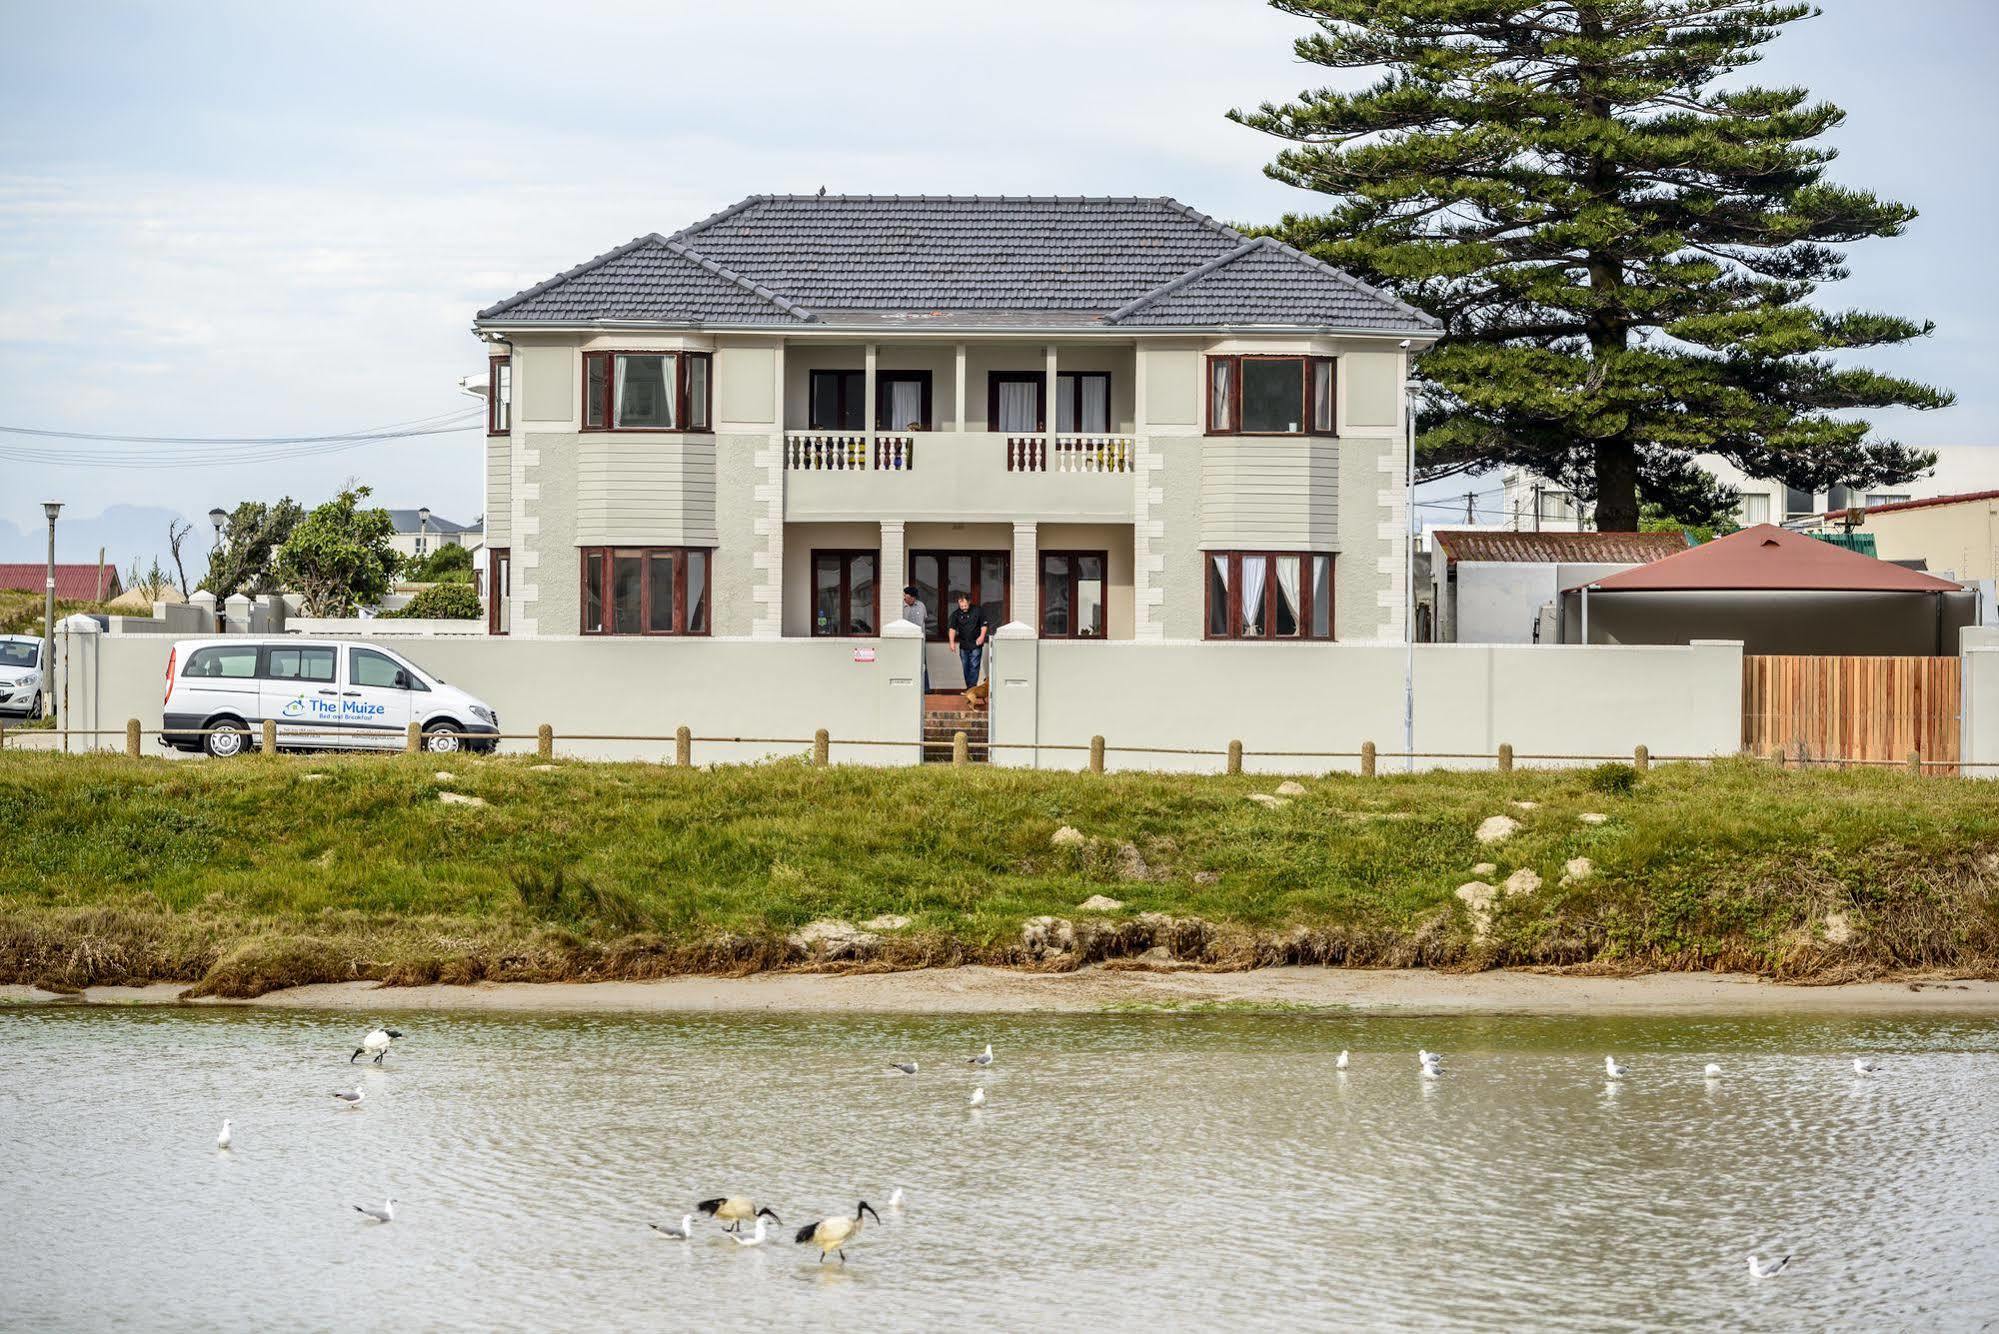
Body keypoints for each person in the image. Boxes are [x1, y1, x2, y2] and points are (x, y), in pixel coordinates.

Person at [946, 591, 990, 692]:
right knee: (966, 666)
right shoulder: (956, 614)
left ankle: (971, 688)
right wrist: (951, 643)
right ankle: (970, 687)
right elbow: (952, 629)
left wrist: (982, 636)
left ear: (969, 602)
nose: (964, 607)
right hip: (963, 645)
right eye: (961, 606)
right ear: (958, 603)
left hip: (976, 643)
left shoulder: (978, 610)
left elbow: (984, 624)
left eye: (965, 605)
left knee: (974, 665)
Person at [901, 585, 929, 693]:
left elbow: (924, 619)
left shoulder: (921, 606)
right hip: (906, 642)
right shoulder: (901, 607)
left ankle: (925, 688)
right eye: (906, 596)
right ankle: (909, 687)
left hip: (920, 641)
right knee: (907, 663)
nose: (905, 598)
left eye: (908, 596)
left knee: (922, 664)